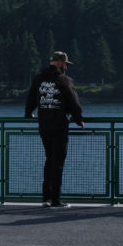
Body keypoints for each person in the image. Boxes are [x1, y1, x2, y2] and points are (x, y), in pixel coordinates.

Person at [25, 51, 85, 208]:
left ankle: (46, 197)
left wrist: (28, 112)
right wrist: (79, 120)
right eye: (65, 64)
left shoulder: (38, 79)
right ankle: (56, 199)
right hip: (59, 127)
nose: (66, 66)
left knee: (49, 159)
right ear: (59, 63)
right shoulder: (64, 80)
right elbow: (74, 102)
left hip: (44, 126)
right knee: (58, 162)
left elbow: (31, 97)